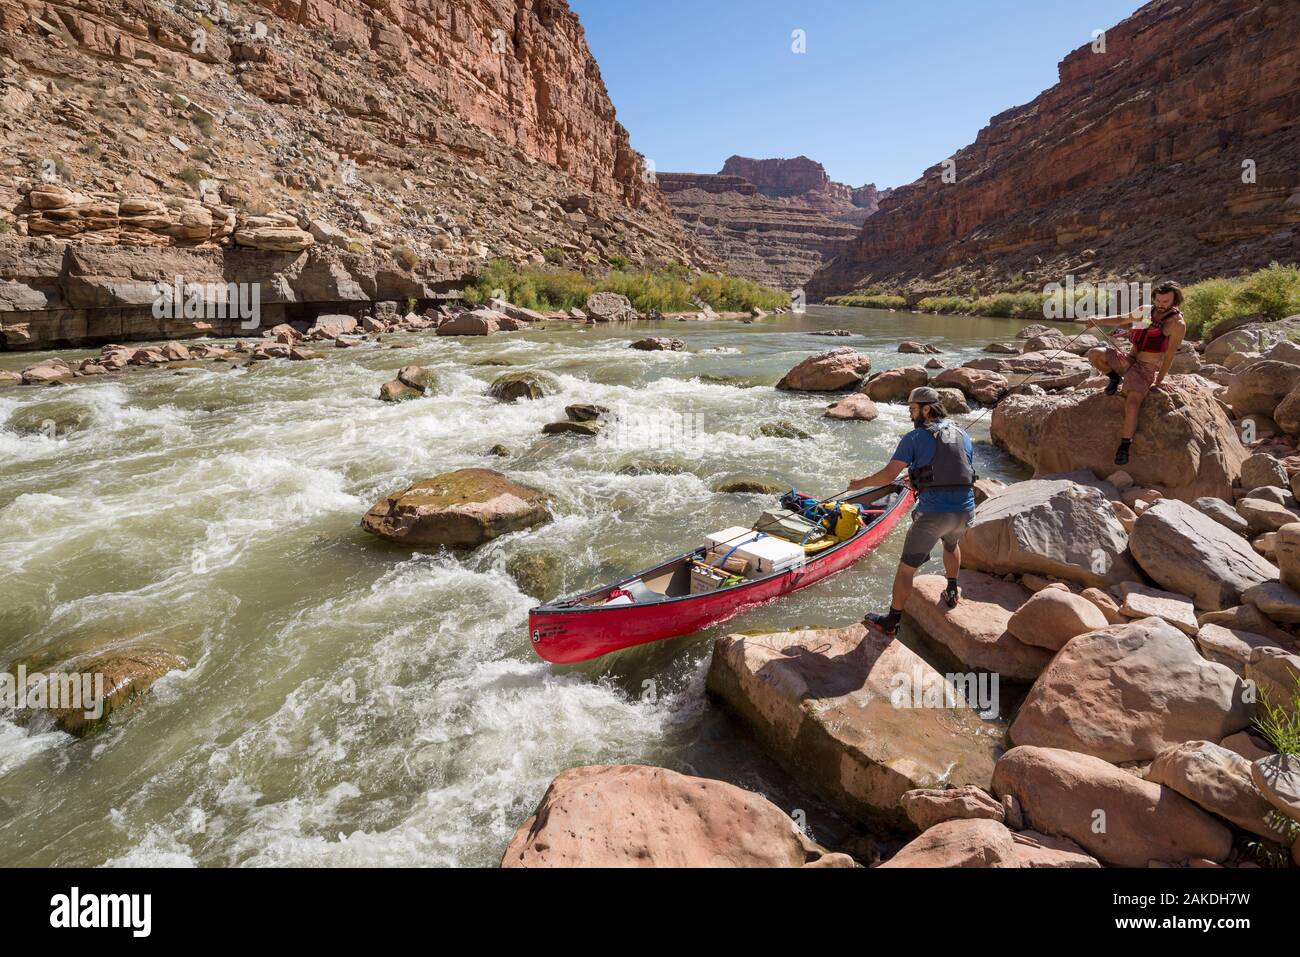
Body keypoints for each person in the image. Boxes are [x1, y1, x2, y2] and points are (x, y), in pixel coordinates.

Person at [847, 387, 977, 636]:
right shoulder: (962, 433)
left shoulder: (914, 438)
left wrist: (859, 484)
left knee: (906, 569)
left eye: (912, 409)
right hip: (965, 511)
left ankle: (891, 621)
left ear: (926, 409)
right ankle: (952, 589)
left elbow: (888, 476)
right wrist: (920, 476)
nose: (910, 414)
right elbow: (956, 469)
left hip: (934, 514)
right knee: (951, 545)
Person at [1084, 280, 1187, 466]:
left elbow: (1170, 355)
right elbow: (1121, 319)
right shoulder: (1147, 310)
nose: (1161, 305)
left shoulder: (1176, 324)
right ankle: (1114, 378)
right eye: (1159, 300)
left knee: (1132, 402)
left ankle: (1124, 446)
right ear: (1154, 297)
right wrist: (1097, 320)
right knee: (1094, 353)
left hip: (1145, 369)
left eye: (1166, 301)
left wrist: (1159, 381)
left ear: (1175, 301)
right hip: (1128, 359)